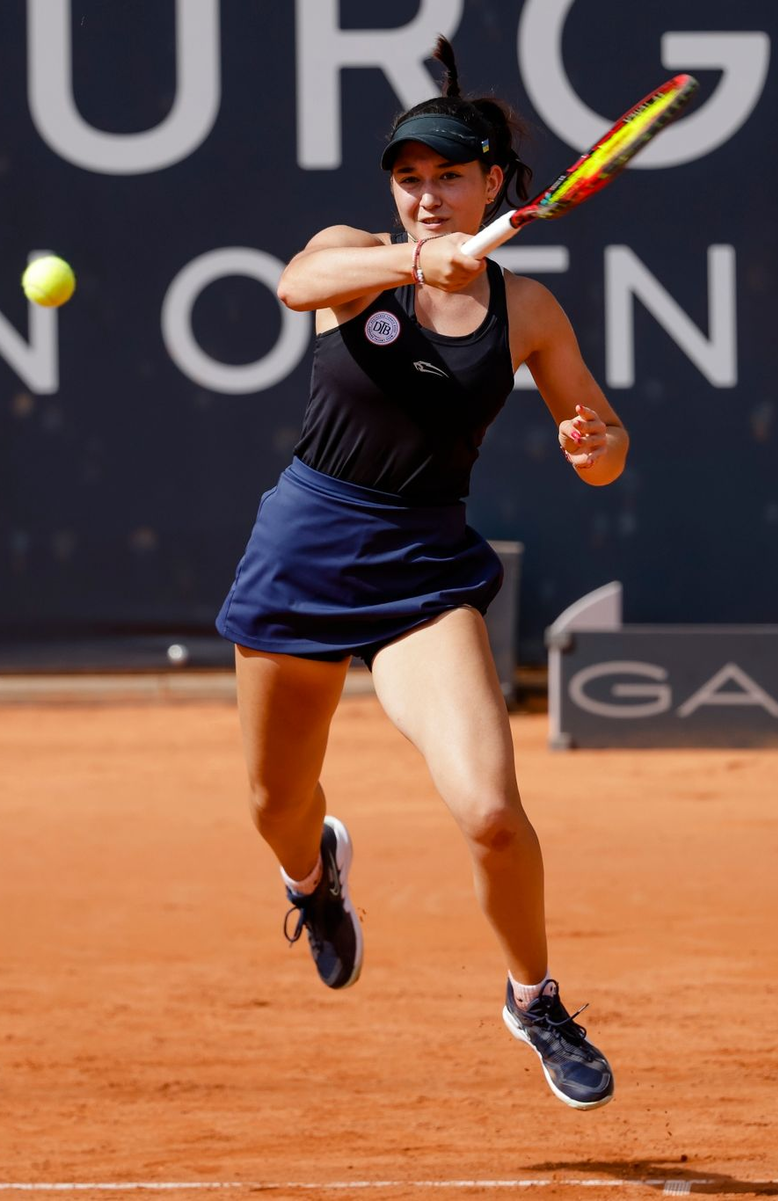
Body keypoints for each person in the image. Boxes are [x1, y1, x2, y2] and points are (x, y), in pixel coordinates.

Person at [215, 37, 626, 1111]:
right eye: (409, 179)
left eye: (448, 176)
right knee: (275, 802)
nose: (426, 196)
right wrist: (410, 263)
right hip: (305, 548)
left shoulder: (527, 311)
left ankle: (533, 996)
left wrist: (595, 444)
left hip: (422, 568)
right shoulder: (354, 257)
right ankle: (315, 876)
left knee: (492, 810)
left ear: (494, 184)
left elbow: (606, 441)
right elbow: (296, 283)